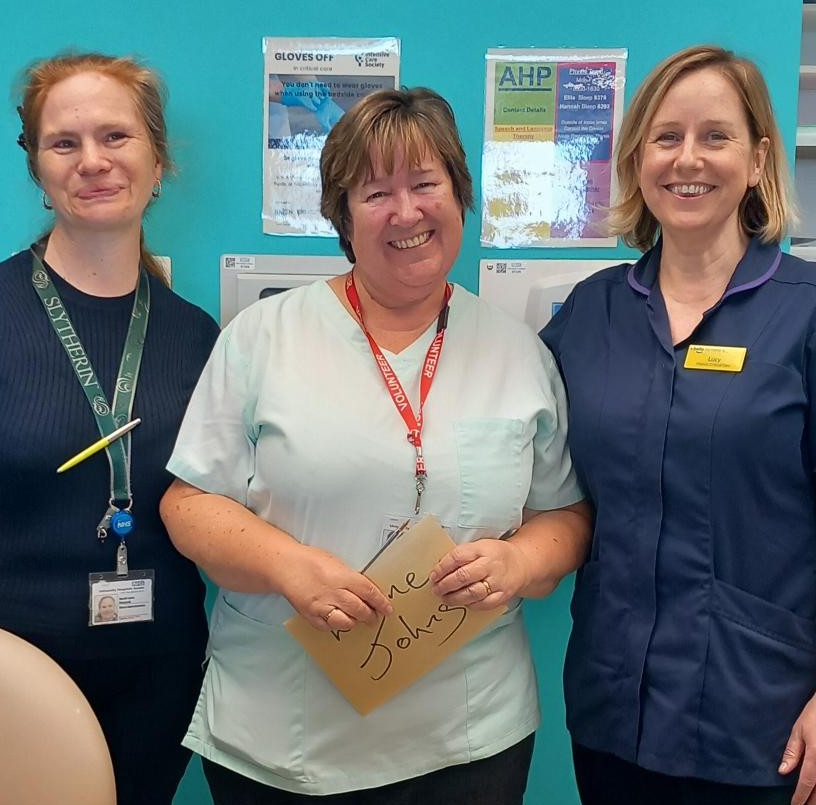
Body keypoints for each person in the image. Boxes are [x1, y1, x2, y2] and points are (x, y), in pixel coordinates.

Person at [160, 86, 592, 804]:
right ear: (343, 216)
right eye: (375, 192)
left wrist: (519, 559)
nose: (406, 211)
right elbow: (188, 503)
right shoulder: (264, 338)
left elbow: (567, 516)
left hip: (470, 739)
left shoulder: (520, 354)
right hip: (282, 736)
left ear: (459, 195)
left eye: (426, 184)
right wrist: (286, 563)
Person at [0, 52, 219, 804]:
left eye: (115, 137)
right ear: (37, 167)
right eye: (64, 142)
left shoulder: (197, 335)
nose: (92, 161)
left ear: (156, 158)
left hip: (158, 677)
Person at [540, 44, 816, 805]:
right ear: (638, 159)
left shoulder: (815, 311)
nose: (687, 159)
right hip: (612, 711)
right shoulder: (590, 313)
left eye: (716, 136)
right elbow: (522, 458)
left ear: (760, 156)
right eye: (666, 137)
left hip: (763, 722)